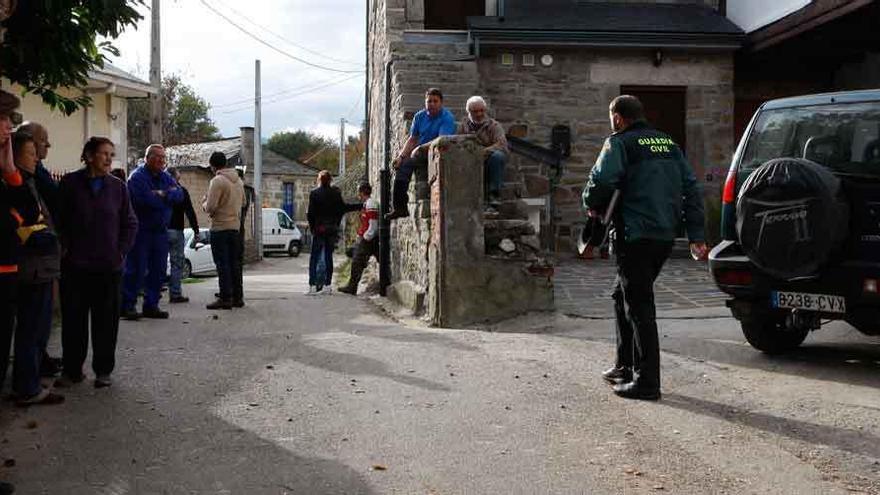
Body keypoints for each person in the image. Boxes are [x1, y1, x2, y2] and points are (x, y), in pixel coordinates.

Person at [582, 95, 707, 401]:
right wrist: (696, 235)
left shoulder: (619, 142)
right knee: (620, 294)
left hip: (634, 234)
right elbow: (691, 188)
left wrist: (590, 202)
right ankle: (624, 365)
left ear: (618, 118)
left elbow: (601, 179)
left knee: (639, 305)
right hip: (664, 236)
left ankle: (647, 382)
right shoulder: (668, 143)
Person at [54, 137, 138, 389]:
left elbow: (130, 223)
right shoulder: (70, 184)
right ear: (89, 156)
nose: (109, 158)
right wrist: (65, 249)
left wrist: (121, 251)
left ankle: (103, 371)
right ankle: (72, 371)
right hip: (76, 267)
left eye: (111, 154)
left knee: (106, 323)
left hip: (108, 267)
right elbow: (58, 221)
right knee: (73, 322)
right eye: (104, 154)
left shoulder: (118, 187)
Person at [10, 130, 64, 405]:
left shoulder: (30, 181)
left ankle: (29, 380)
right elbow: (27, 228)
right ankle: (27, 387)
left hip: (40, 265)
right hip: (32, 266)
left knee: (37, 328)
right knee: (31, 329)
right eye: (30, 153)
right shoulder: (18, 185)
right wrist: (53, 239)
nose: (35, 159)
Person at [122, 144, 182, 320]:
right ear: (147, 157)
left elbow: (179, 195)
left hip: (160, 231)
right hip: (142, 230)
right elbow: (145, 200)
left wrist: (161, 194)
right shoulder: (137, 178)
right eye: (158, 157)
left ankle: (151, 305)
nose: (162, 161)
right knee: (136, 269)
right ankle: (128, 305)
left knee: (159, 269)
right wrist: (166, 196)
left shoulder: (165, 177)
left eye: (164, 158)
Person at [1, 90, 35, 396]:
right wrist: (12, 219)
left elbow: (30, 211)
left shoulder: (5, 172)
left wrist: (11, 171)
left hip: (7, 269)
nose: (7, 128)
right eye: (0, 119)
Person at [386, 88, 456, 220]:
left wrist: (420, 148)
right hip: (420, 153)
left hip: (438, 152)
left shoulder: (447, 118)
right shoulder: (419, 116)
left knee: (421, 156)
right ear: (425, 102)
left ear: (441, 103)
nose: (432, 104)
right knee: (402, 167)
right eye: (429, 101)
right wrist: (401, 156)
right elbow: (412, 139)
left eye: (435, 101)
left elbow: (441, 141)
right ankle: (400, 208)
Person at [306, 170, 360, 295]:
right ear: (330, 180)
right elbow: (343, 208)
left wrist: (313, 228)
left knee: (314, 258)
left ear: (319, 180)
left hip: (319, 230)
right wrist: (361, 205)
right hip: (331, 229)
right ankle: (327, 286)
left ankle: (312, 286)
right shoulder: (336, 193)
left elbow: (310, 214)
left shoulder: (314, 194)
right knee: (328, 257)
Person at [202, 152, 244, 310]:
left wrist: (204, 203)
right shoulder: (238, 181)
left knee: (222, 263)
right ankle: (237, 296)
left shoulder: (217, 181)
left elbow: (211, 207)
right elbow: (243, 202)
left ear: (212, 166)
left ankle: (225, 297)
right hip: (235, 227)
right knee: (235, 263)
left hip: (220, 227)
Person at [456, 96, 509, 216]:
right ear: (469, 112)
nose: (479, 114)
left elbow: (502, 144)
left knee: (498, 157)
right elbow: (457, 143)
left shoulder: (494, 125)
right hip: (469, 159)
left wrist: (485, 151)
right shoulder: (463, 126)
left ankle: (493, 198)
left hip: (489, 158)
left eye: (481, 110)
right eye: (475, 111)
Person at [165, 167, 199, 303]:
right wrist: (196, 230)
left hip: (162, 230)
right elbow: (190, 212)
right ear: (176, 176)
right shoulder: (181, 191)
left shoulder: (161, 190)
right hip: (177, 231)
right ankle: (175, 293)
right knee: (177, 263)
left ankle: (153, 293)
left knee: (158, 262)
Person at [338, 182, 379, 296]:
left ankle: (352, 287)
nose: (358, 195)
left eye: (359, 192)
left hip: (367, 239)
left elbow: (373, 225)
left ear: (362, 192)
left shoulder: (371, 204)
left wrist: (366, 237)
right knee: (353, 254)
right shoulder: (367, 203)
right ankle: (352, 285)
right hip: (365, 237)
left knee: (356, 261)